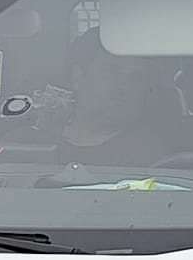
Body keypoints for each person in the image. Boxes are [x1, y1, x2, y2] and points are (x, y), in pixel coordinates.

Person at [60, 30, 170, 167]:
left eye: (136, 77)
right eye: (111, 72)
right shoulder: (38, 140)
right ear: (78, 78)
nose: (125, 86)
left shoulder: (149, 154)